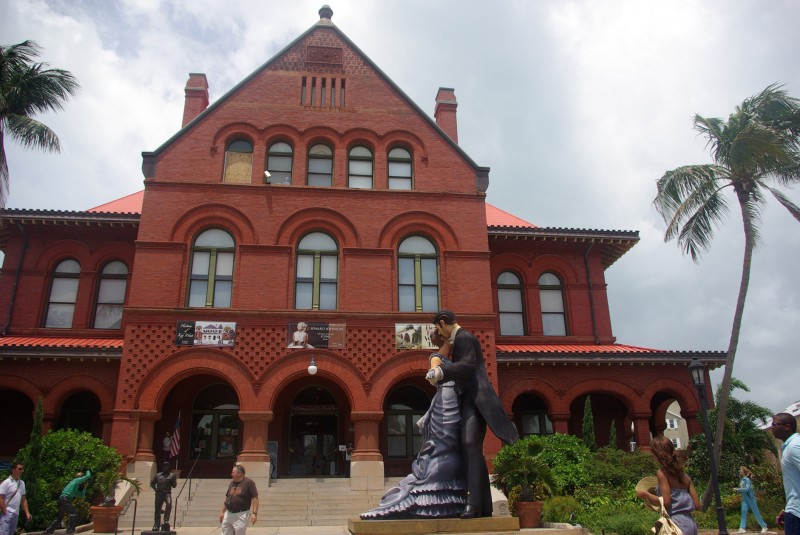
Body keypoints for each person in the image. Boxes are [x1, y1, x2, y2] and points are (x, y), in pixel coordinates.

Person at [361, 332, 467, 519]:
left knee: (443, 442)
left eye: (436, 331)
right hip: (443, 399)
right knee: (435, 443)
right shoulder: (443, 359)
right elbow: (437, 359)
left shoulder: (460, 359)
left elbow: (440, 358)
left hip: (449, 403)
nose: (431, 335)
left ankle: (432, 493)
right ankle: (424, 491)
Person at [426, 310, 519, 519]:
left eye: (438, 329)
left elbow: (468, 365)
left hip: (476, 400)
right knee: (470, 447)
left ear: (443, 323)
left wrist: (442, 371)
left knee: (470, 444)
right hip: (467, 399)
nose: (439, 334)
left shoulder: (464, 338)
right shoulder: (457, 340)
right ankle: (481, 504)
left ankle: (472, 503)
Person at [637, 435, 700, 535]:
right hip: (690, 523)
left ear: (658, 454)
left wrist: (646, 495)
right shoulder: (685, 477)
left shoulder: (662, 473)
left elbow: (666, 502)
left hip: (675, 523)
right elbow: (697, 505)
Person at [770, 412, 800, 535]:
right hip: (794, 510)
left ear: (787, 427)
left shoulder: (794, 446)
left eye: (775, 424)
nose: (771, 427)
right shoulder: (789, 446)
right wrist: (788, 508)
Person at [44, 469, 92, 535]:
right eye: (82, 477)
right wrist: (88, 470)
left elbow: (82, 495)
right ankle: (69, 532)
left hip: (61, 499)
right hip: (65, 499)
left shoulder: (74, 486)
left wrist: (85, 488)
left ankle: (47, 532)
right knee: (73, 514)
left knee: (59, 518)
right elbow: (88, 475)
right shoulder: (76, 481)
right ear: (80, 478)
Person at [219, 464, 258, 535]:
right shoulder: (232, 482)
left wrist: (254, 514)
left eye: (233, 472)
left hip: (241, 514)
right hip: (229, 513)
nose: (231, 474)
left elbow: (255, 499)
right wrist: (222, 511)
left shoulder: (249, 483)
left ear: (239, 474)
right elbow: (227, 498)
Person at [735, 466, 772, 533]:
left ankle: (764, 526)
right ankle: (742, 527)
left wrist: (738, 489)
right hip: (744, 499)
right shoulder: (742, 480)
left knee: (756, 512)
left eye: (740, 470)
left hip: (750, 498)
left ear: (744, 471)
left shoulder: (747, 480)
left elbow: (747, 489)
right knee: (743, 512)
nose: (739, 471)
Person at [0, 461, 32, 535]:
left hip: (15, 513)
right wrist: (5, 511)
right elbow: (0, 498)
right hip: (7, 513)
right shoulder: (6, 483)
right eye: (20, 469)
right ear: (13, 470)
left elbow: (23, 500)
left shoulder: (22, 483)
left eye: (22, 469)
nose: (22, 471)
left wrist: (27, 512)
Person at [151, 462, 178, 531]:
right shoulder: (158, 475)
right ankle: (156, 524)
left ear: (169, 467)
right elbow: (152, 484)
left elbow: (174, 486)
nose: (165, 467)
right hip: (159, 493)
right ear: (162, 467)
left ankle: (166, 520)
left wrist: (174, 480)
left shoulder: (171, 475)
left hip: (167, 493)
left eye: (167, 466)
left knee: (169, 504)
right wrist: (156, 490)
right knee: (157, 509)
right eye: (164, 466)